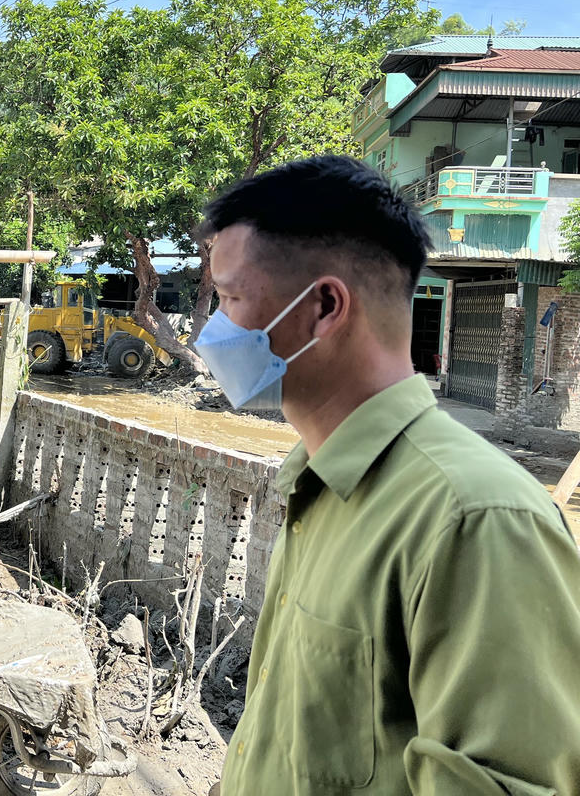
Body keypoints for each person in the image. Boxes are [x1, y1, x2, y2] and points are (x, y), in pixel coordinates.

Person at [193, 155, 580, 795]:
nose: (214, 330)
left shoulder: (474, 520)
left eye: (230, 299)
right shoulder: (317, 483)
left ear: (324, 306)